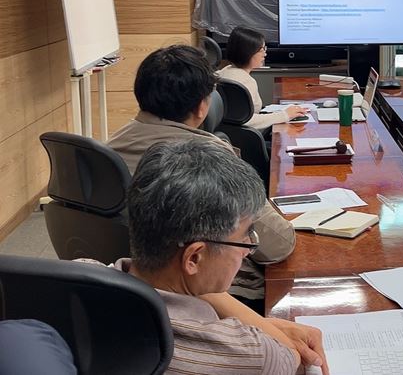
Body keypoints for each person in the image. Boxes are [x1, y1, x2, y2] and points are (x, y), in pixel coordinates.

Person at [112, 140, 328, 374]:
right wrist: (270, 330)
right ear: (194, 258)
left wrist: (265, 325)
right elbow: (291, 355)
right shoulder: (252, 356)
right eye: (244, 238)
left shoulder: (84, 278)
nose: (247, 249)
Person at [108, 45, 295, 306]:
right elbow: (277, 245)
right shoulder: (206, 158)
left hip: (122, 284)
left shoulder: (109, 146)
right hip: (202, 293)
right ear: (201, 107)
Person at [218, 27, 309, 129]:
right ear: (247, 53)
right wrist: (285, 115)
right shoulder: (243, 81)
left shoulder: (225, 71)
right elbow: (246, 120)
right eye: (261, 50)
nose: (265, 54)